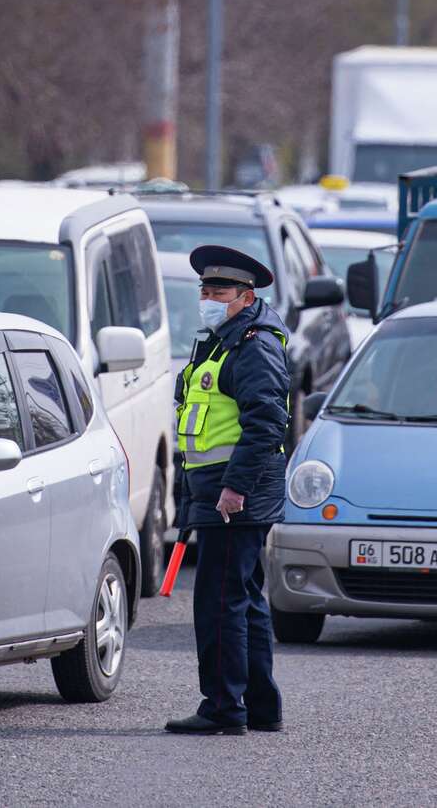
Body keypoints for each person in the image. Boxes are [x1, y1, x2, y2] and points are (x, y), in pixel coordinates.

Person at [165, 244, 290, 737]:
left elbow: (266, 424)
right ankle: (260, 705)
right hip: (216, 486)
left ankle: (222, 707)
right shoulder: (222, 339)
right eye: (205, 289)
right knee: (243, 597)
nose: (209, 297)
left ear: (246, 295)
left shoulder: (253, 344)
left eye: (219, 291)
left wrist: (234, 488)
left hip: (233, 491)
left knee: (219, 601)